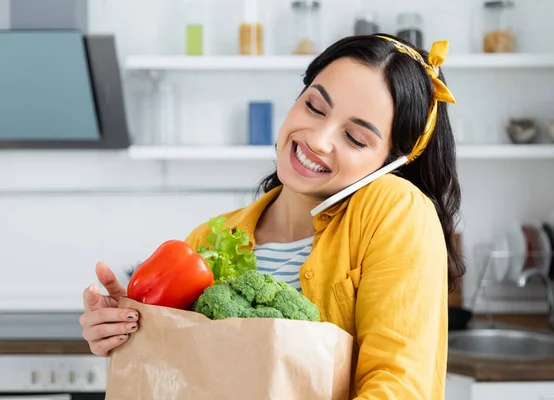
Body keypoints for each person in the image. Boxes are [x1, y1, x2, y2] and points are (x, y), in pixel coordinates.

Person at [79, 33, 465, 399]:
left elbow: (398, 385)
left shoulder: (397, 210)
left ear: (390, 162)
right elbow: (174, 375)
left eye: (356, 138)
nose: (317, 139)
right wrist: (129, 327)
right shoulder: (209, 239)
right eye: (314, 107)